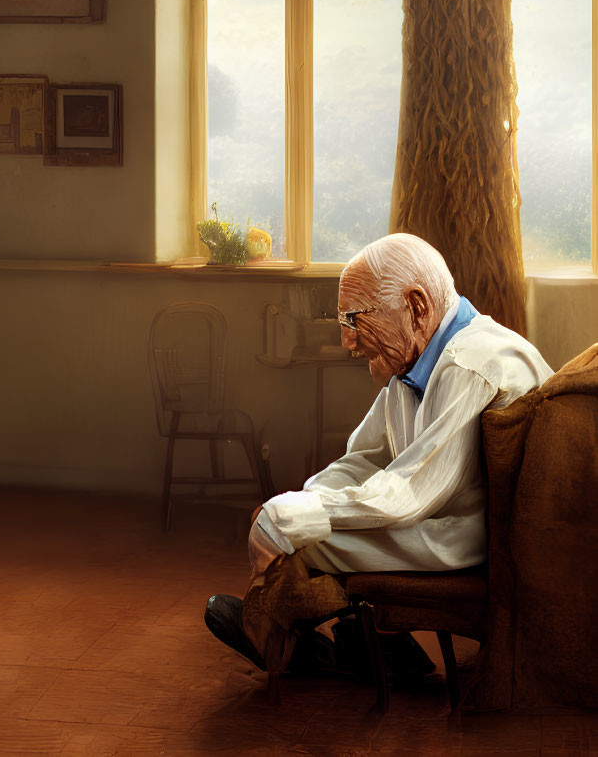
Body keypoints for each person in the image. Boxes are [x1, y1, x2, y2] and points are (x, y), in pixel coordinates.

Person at [205, 233, 553, 672]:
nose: (348, 341)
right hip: (437, 516)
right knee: (300, 522)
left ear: (416, 306)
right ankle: (362, 644)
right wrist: (303, 501)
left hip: (467, 533)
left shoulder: (468, 364)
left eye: (354, 319)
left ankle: (292, 641)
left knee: (309, 540)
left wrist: (297, 516)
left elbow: (410, 492)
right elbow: (363, 457)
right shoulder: (416, 357)